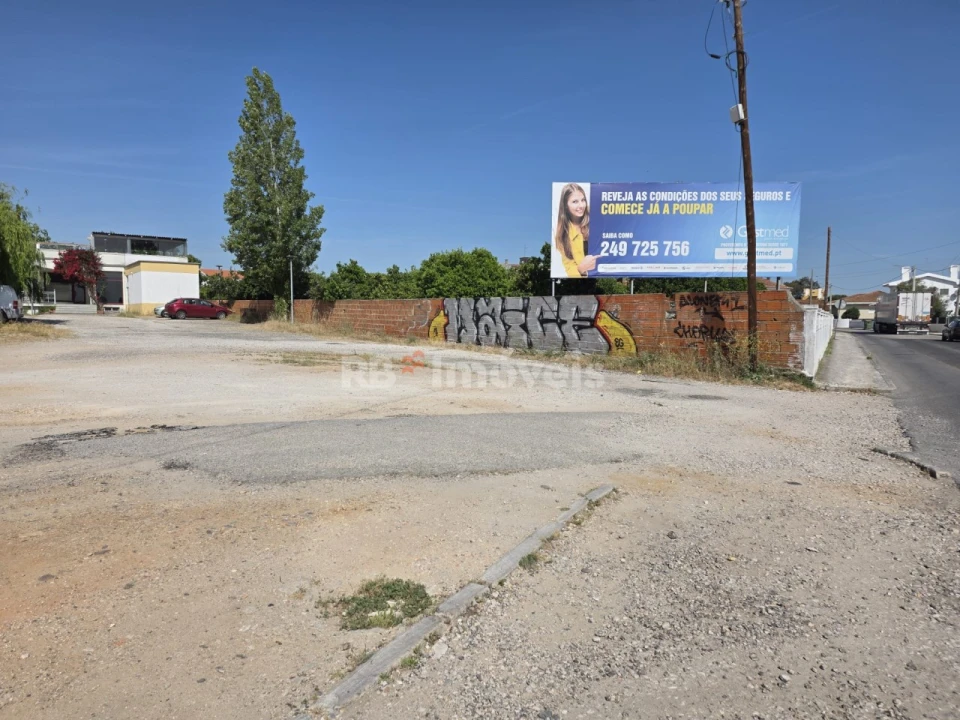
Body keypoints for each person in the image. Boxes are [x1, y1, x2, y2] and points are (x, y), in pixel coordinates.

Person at [554, 183, 597, 278]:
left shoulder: (595, 216)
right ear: (565, 205)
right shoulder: (562, 234)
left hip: (604, 276)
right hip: (583, 281)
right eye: (575, 202)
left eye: (583, 200)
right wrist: (581, 269)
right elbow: (569, 267)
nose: (581, 205)